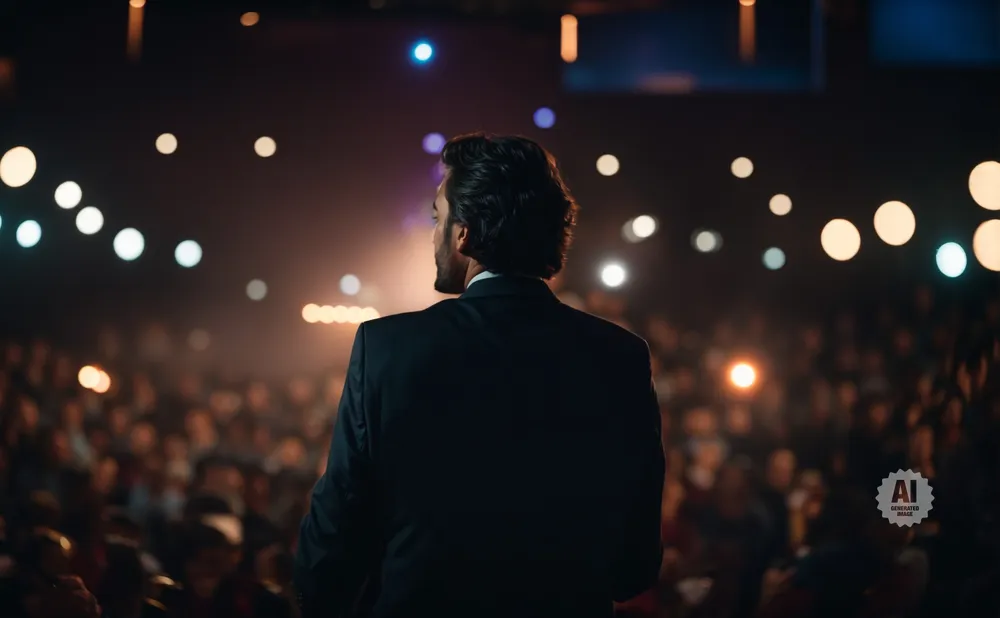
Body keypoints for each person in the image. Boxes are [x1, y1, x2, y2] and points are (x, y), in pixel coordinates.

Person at [295, 133, 665, 618]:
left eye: (437, 218)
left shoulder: (387, 349)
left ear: (464, 233)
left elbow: (338, 522)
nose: (433, 234)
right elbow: (633, 564)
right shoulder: (621, 358)